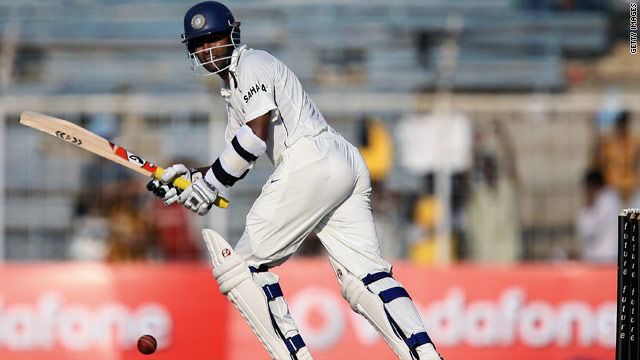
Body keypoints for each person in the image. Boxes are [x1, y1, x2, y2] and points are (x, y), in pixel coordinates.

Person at [146, 2, 443, 360]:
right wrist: (190, 180)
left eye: (214, 38)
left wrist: (209, 185)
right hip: (340, 162)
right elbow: (236, 157)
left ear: (232, 34)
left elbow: (254, 139)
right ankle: (425, 355)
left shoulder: (252, 64)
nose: (207, 49)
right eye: (198, 44)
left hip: (310, 159)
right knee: (363, 279)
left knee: (241, 269)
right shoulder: (234, 92)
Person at [575, 169, 622, 263]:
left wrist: (588, 207)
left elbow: (588, 231)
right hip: (609, 257)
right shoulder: (613, 198)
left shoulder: (606, 201)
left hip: (604, 259)